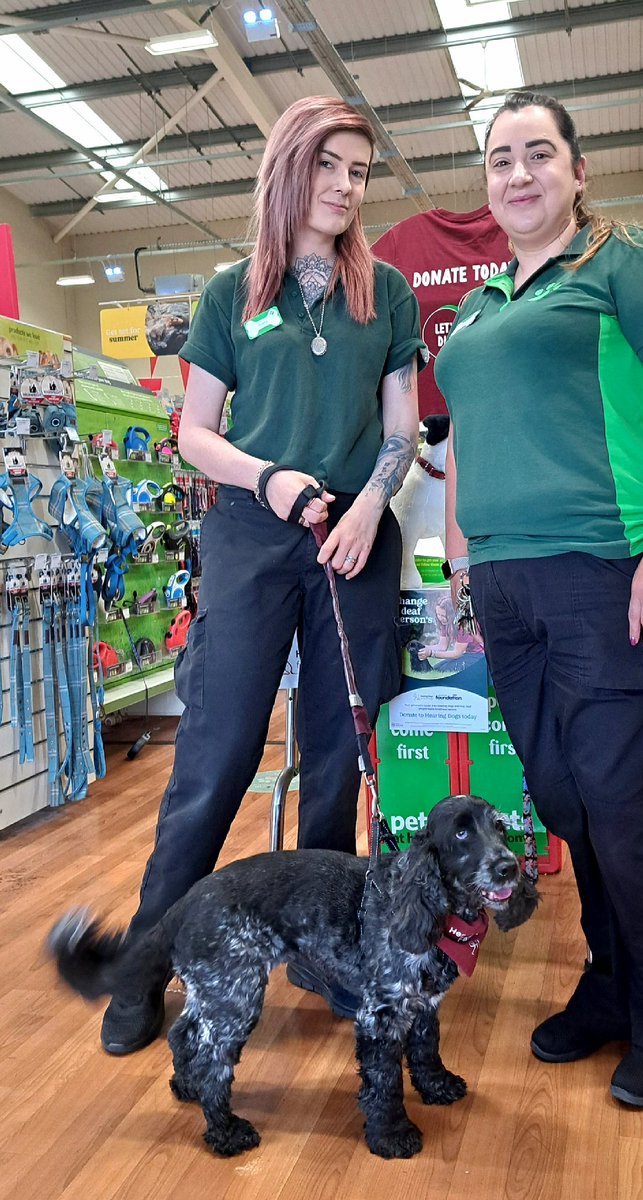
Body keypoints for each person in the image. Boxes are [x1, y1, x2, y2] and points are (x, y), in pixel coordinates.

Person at [100, 95, 424, 1055]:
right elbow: (195, 432)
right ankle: (140, 974)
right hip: (249, 531)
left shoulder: (388, 293)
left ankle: (325, 956)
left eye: (359, 172)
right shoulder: (229, 291)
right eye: (328, 165)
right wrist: (268, 477)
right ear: (289, 168)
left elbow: (402, 426)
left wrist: (371, 504)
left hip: (353, 536)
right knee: (215, 761)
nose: (344, 186)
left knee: (335, 760)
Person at [434, 91, 643, 1109]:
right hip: (509, 590)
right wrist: (458, 559)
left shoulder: (624, 258)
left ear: (576, 169)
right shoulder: (475, 307)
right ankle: (613, 984)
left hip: (617, 571)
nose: (518, 174)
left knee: (627, 809)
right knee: (563, 798)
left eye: (538, 154)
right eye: (500, 159)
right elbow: (462, 438)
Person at [417, 593, 485, 669]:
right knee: (435, 668)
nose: (440, 618)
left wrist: (431, 653)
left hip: (476, 656)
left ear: (451, 614)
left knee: (443, 669)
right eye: (438, 614)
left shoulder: (463, 624)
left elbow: (457, 653)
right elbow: (442, 647)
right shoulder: (445, 623)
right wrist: (422, 648)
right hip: (464, 655)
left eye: (443, 615)